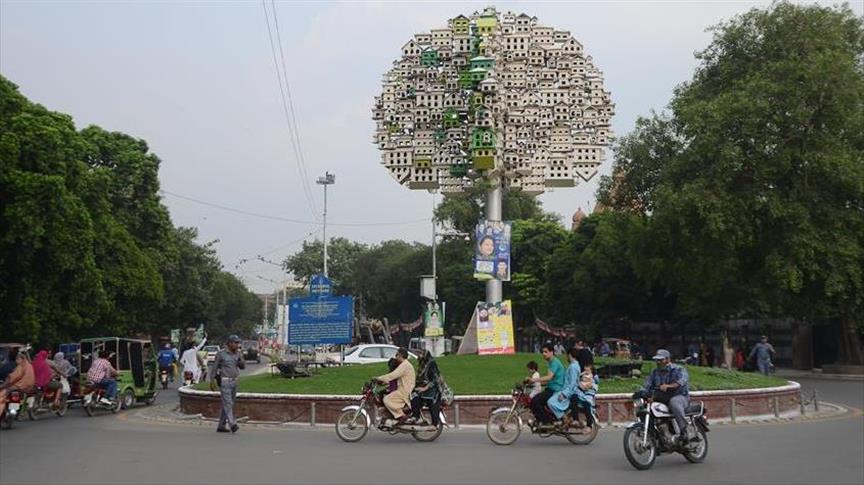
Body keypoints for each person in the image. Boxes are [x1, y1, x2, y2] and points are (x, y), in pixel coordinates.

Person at [640, 349, 691, 445]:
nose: (658, 362)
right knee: (645, 407)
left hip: (680, 396)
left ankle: (684, 431)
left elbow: (682, 381)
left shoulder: (678, 369)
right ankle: (653, 433)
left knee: (674, 402)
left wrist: (669, 386)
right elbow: (647, 385)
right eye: (657, 360)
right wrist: (641, 392)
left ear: (668, 359)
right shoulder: (654, 372)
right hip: (663, 398)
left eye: (661, 360)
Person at [211, 335, 245, 433]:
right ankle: (232, 424)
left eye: (238, 343)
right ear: (229, 343)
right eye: (235, 343)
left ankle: (221, 426)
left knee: (228, 404)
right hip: (225, 381)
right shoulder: (221, 354)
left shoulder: (238, 354)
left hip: (234, 380)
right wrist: (212, 380)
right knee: (228, 403)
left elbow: (242, 367)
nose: (237, 345)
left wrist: (241, 360)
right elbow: (214, 367)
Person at [375, 347, 415, 425]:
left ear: (400, 355)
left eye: (397, 355)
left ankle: (401, 415)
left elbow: (393, 375)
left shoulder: (405, 365)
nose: (396, 357)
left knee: (387, 399)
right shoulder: (404, 364)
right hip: (403, 389)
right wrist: (382, 381)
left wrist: (378, 378)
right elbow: (393, 378)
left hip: (405, 391)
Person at [528, 343, 565, 424]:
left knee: (535, 401)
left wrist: (534, 380)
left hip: (555, 389)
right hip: (551, 388)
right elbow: (549, 380)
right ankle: (542, 420)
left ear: (551, 352)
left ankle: (546, 422)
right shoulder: (551, 362)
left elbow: (549, 377)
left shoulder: (554, 362)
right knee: (535, 401)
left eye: (546, 352)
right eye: (542, 352)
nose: (543, 354)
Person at [547, 347, 581, 422]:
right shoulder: (574, 365)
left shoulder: (573, 367)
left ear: (570, 355)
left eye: (567, 355)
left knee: (550, 402)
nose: (566, 357)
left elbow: (572, 384)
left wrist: (564, 394)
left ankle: (564, 418)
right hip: (566, 390)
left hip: (567, 392)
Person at [409, 349, 442, 426]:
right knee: (414, 398)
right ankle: (416, 416)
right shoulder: (422, 364)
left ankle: (434, 424)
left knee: (433, 408)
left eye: (420, 354)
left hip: (432, 392)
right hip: (422, 390)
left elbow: (435, 379)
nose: (418, 356)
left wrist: (424, 388)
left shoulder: (432, 364)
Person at [0, 352, 35, 417]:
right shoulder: (29, 365)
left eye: (18, 359)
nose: (16, 361)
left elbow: (14, 377)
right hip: (28, 387)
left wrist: (4, 384)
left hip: (19, 386)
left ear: (22, 359)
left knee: (2, 394)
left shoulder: (21, 366)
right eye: (16, 359)